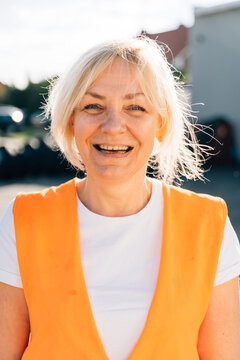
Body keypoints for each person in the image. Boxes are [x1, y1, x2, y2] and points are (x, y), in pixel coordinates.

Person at [0, 37, 240, 360]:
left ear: (161, 124)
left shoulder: (209, 226)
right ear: (72, 120)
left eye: (136, 107)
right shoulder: (23, 221)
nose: (113, 126)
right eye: (93, 106)